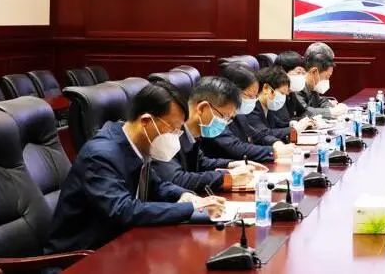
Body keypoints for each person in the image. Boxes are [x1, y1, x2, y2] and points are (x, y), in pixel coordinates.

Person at [46, 83, 226, 253]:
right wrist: (190, 208)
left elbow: (157, 185)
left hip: (120, 245)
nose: (175, 137)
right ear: (146, 121)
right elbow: (123, 210)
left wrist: (186, 196)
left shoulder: (135, 143)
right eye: (172, 129)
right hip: (82, 257)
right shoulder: (100, 155)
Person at [152, 78, 267, 193]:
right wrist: (227, 177)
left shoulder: (193, 134)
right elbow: (177, 179)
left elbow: (201, 162)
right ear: (202, 108)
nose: (224, 123)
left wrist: (231, 165)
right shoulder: (168, 133)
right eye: (224, 117)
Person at [200, 65, 295, 162]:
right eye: (250, 96)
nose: (254, 101)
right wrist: (273, 152)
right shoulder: (213, 114)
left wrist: (276, 143)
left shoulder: (239, 113)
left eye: (255, 96)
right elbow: (235, 147)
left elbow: (257, 135)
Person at [242, 66, 316, 143]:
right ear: (266, 89)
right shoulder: (251, 108)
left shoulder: (267, 106)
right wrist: (294, 129)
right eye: (282, 93)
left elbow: (279, 124)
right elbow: (265, 133)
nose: (283, 97)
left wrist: (299, 122)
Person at [287, 42, 348, 119]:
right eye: (327, 76)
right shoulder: (296, 86)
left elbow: (321, 101)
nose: (327, 80)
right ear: (314, 72)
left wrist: (331, 107)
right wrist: (331, 112)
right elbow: (303, 112)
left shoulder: (312, 85)